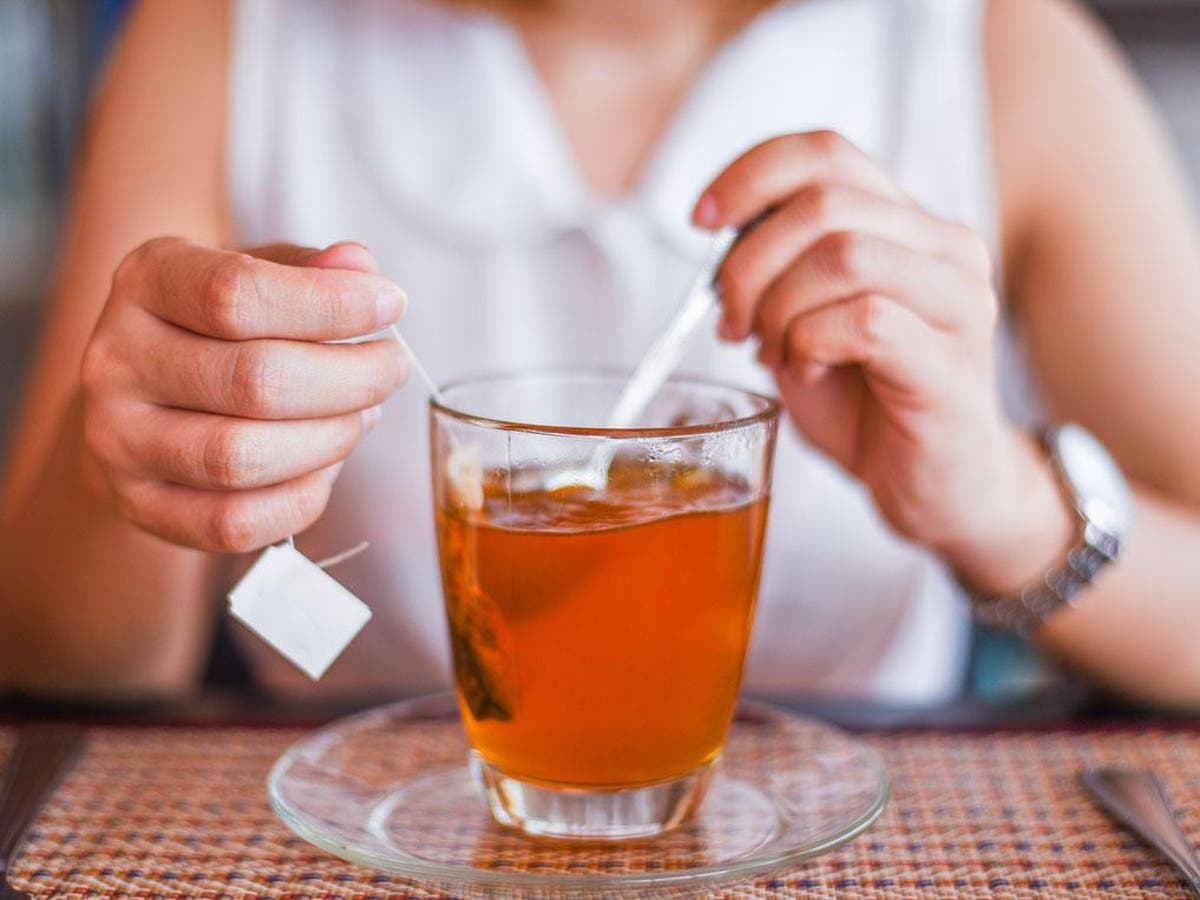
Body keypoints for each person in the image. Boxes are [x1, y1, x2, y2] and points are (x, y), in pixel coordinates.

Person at [2, 0, 1199, 708]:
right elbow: (52, 665)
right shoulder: (226, 36)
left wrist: (995, 497)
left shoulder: (991, 51)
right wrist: (130, 476)